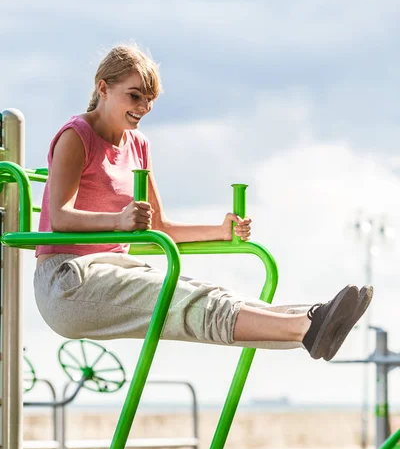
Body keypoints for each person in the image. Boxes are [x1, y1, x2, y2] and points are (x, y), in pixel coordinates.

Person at [34, 44, 373, 361]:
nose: (142, 108)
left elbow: (160, 227)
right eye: (134, 96)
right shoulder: (76, 136)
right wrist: (118, 222)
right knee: (188, 302)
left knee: (212, 295)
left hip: (116, 270)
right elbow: (60, 218)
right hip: (68, 281)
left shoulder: (138, 145)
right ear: (103, 88)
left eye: (149, 100)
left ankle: (313, 320)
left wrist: (221, 231)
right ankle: (309, 324)